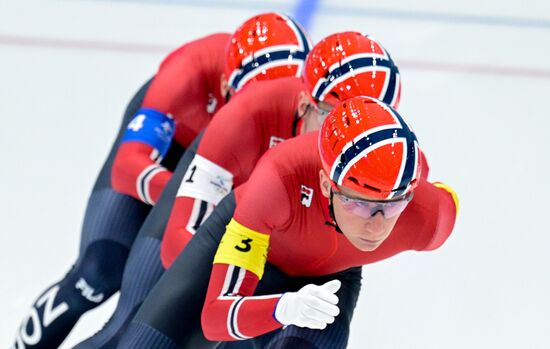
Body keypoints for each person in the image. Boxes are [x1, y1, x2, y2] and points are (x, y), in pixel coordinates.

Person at [71, 31, 400, 349]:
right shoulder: (247, 113)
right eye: (330, 115)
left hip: (263, 243)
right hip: (222, 229)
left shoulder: (381, 162)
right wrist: (233, 298)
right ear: (304, 103)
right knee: (124, 322)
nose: (343, 135)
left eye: (367, 123)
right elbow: (177, 245)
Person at [11, 12, 310, 349]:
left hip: (216, 178)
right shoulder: (190, 71)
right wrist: (190, 198)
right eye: (253, 105)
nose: (264, 112)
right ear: (226, 85)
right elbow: (127, 167)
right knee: (98, 271)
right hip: (169, 157)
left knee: (155, 324)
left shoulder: (301, 111)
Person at [115, 96, 458, 349]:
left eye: (395, 205)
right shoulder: (277, 181)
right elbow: (215, 317)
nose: (377, 227)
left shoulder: (430, 217)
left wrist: (390, 204)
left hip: (331, 280)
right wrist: (282, 306)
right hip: (258, 248)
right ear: (326, 185)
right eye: (360, 205)